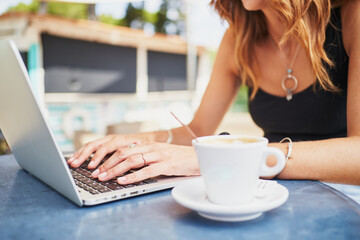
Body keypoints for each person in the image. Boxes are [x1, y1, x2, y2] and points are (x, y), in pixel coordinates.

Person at [67, 0, 360, 185]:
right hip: (262, 188)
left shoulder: (352, 16)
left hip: (342, 197)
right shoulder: (238, 38)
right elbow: (197, 129)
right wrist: (138, 143)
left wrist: (228, 157)